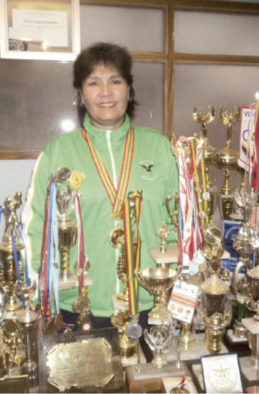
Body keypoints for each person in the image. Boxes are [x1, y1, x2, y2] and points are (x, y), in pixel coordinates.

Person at [21, 42, 179, 330]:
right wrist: (39, 299)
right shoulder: (57, 152)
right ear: (81, 95)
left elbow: (180, 222)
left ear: (129, 91)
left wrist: (179, 292)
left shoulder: (159, 147)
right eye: (94, 82)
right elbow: (35, 227)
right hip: (78, 307)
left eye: (115, 81)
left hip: (152, 305)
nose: (105, 92)